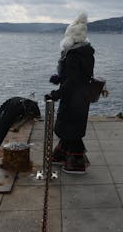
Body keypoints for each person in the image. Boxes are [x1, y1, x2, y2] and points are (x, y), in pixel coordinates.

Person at [45, 12, 95, 174]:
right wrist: (60, 78)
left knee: (70, 129)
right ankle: (62, 156)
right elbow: (80, 76)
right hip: (82, 96)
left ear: (70, 36)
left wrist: (56, 94)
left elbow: (73, 80)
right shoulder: (87, 52)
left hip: (73, 98)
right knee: (70, 128)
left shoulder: (73, 54)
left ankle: (76, 163)